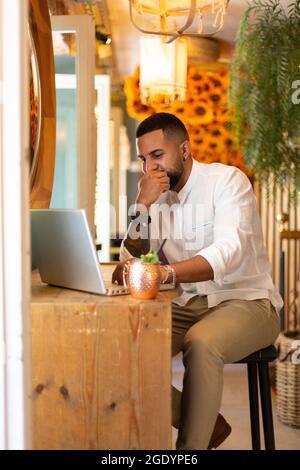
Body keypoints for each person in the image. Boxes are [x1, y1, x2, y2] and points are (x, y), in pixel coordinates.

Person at [112, 112, 282, 450]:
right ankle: (207, 423)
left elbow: (228, 252)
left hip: (247, 301)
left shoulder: (227, 182)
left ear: (185, 150)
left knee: (201, 343)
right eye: (144, 159)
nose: (150, 168)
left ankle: (191, 450)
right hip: (188, 303)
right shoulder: (155, 201)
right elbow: (129, 258)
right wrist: (141, 205)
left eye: (157, 156)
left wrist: (167, 273)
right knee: (123, 346)